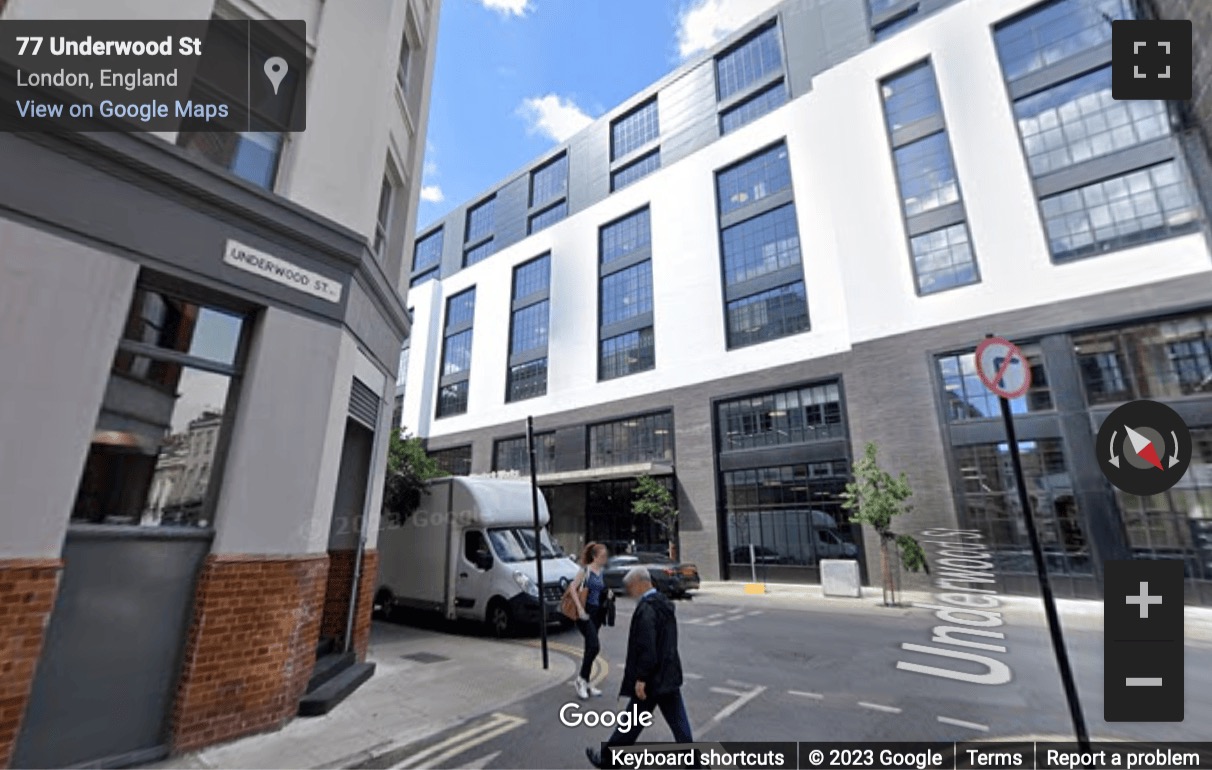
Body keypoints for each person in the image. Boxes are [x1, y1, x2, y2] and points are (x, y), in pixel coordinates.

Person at [586, 566, 694, 769]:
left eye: (631, 587)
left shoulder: (646, 610)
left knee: (633, 722)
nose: (630, 592)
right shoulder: (664, 604)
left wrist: (641, 679)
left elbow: (647, 648)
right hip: (668, 675)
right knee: (672, 723)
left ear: (642, 583)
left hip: (652, 680)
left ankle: (608, 759)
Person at [570, 541, 612, 699]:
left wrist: (607, 595)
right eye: (602, 556)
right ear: (595, 556)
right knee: (594, 646)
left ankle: (586, 683)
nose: (605, 558)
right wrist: (580, 609)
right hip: (585, 614)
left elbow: (599, 591)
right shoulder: (585, 571)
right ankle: (581, 679)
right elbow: (573, 588)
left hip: (597, 614)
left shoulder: (601, 572)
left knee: (589, 648)